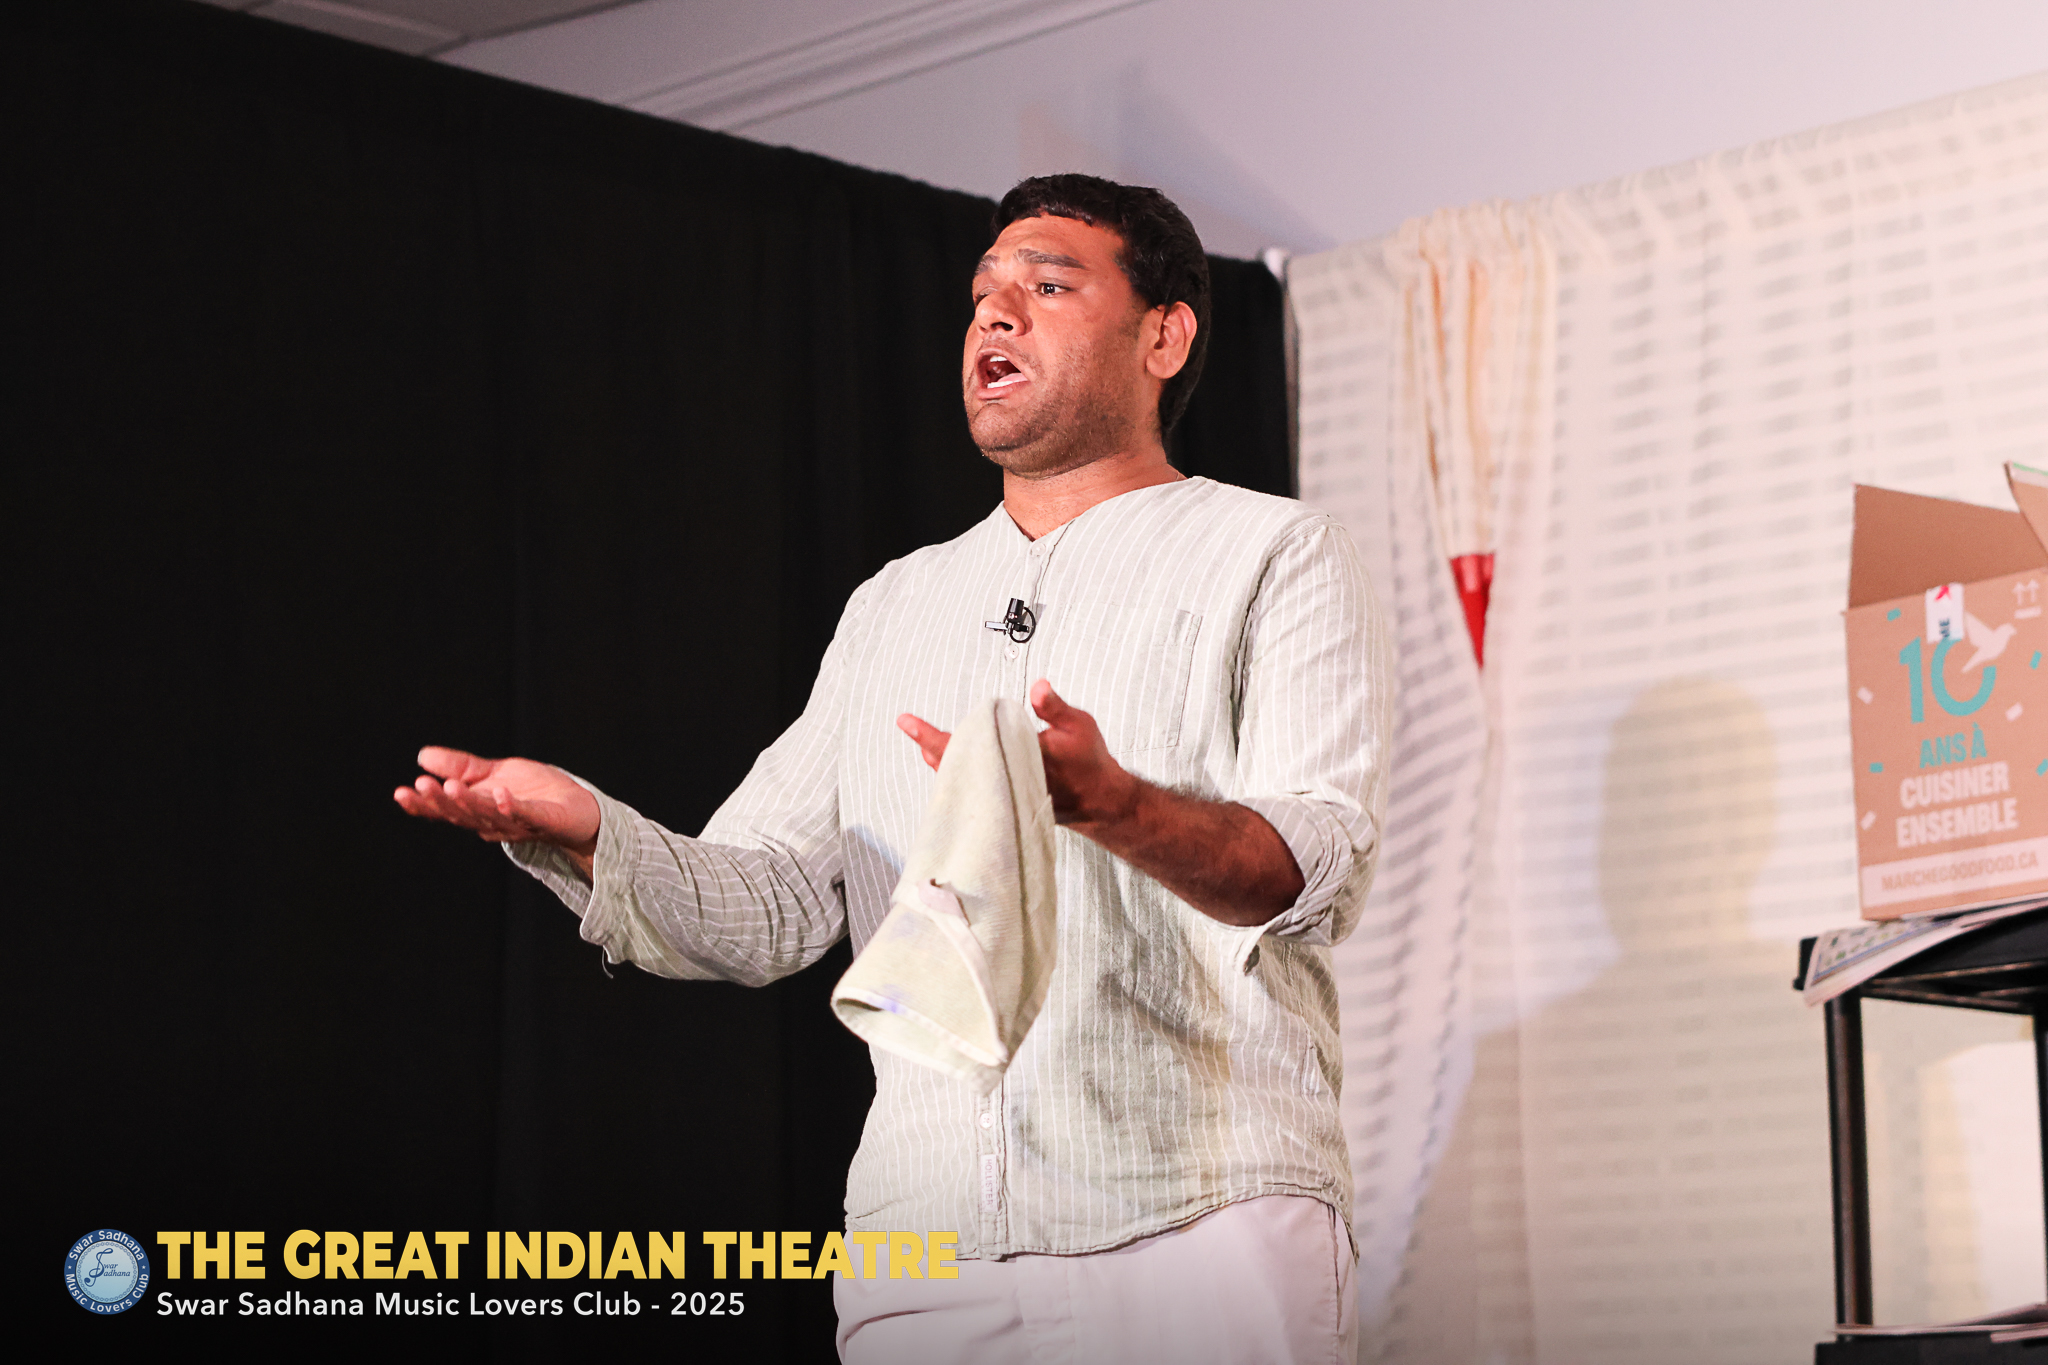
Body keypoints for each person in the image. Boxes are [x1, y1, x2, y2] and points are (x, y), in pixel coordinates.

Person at [395, 174, 1389, 1364]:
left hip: (1198, 1226)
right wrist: (590, 831)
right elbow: (769, 902)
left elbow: (1311, 864)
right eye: (981, 295)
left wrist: (1113, 806)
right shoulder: (893, 605)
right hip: (925, 1247)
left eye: (1046, 287)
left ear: (1163, 337)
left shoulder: (1273, 551)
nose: (994, 315)